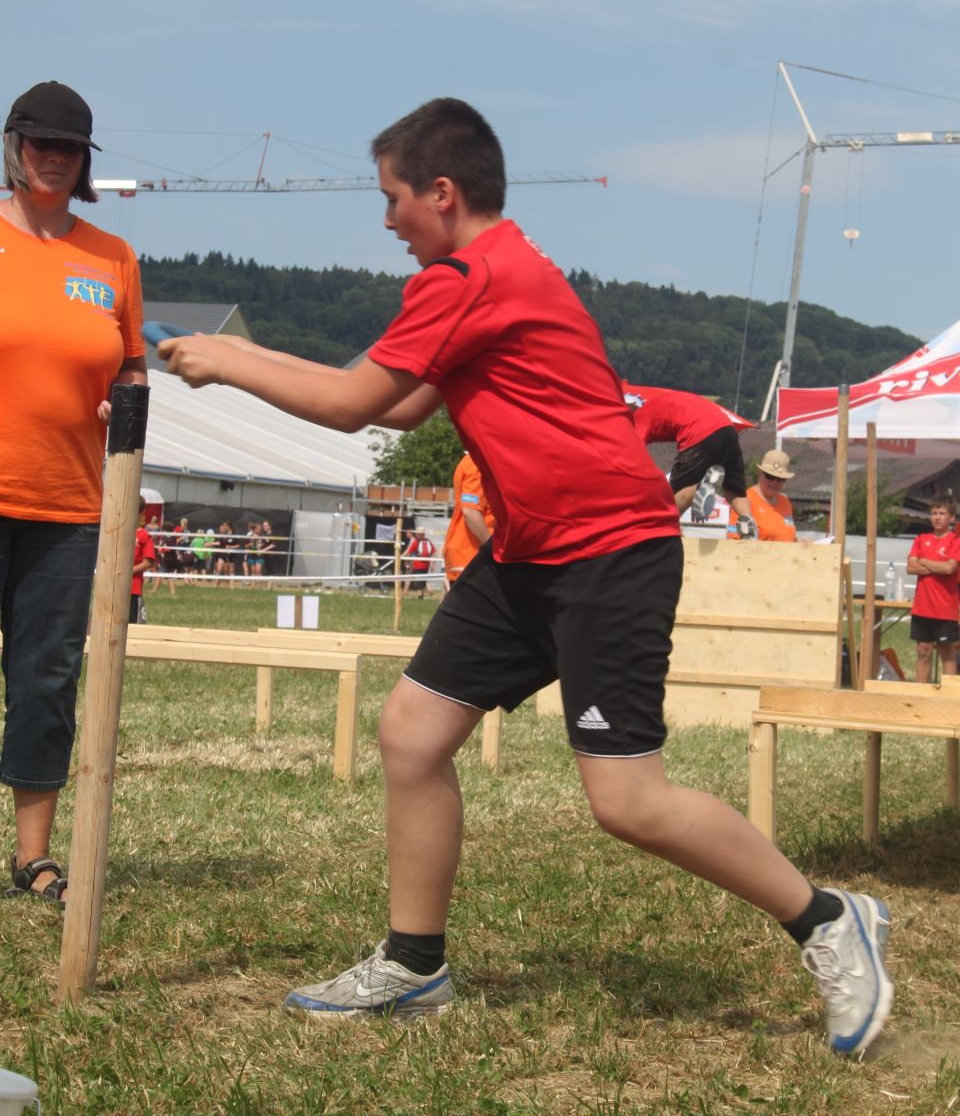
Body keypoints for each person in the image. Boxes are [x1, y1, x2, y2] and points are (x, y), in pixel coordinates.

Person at [159, 97, 892, 1055]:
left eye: (392, 199)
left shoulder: (471, 276)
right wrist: (243, 353)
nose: (387, 222)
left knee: (628, 802)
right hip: (528, 555)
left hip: (610, 554)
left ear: (441, 192)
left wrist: (228, 358)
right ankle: (415, 963)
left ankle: (830, 919)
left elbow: (349, 404)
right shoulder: (495, 273)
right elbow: (403, 406)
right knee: (412, 733)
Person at [0, 80, 147, 907]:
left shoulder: (112, 257)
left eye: (70, 148)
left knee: (47, 681)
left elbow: (132, 366)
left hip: (69, 507)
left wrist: (123, 403)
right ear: (13, 146)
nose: (54, 157)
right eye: (40, 143)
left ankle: (34, 858)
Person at [623, 385, 757, 537]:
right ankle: (748, 523)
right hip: (727, 428)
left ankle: (669, 528)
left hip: (699, 431)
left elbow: (635, 459)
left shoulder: (638, 420)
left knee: (676, 492)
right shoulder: (658, 403)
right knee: (734, 489)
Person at [906, 496, 960, 683]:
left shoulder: (955, 541)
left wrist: (923, 561)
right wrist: (938, 566)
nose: (937, 517)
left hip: (945, 608)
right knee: (923, 650)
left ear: (951, 518)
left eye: (942, 513)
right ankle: (921, 694)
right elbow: (910, 567)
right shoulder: (921, 539)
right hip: (922, 607)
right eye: (934, 513)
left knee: (947, 651)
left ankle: (948, 694)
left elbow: (949, 568)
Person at [443, 452, 494, 585]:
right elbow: (470, 511)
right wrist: (493, 548)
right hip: (472, 554)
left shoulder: (474, 460)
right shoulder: (478, 464)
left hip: (470, 554)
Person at [736, 450, 805, 543]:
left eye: (780, 479)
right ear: (760, 474)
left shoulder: (785, 501)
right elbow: (734, 541)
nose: (774, 482)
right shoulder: (744, 500)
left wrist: (797, 541)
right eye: (770, 476)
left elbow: (785, 536)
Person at [130, 496, 157, 625]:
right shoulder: (117, 533)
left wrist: (127, 572)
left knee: (134, 625)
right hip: (112, 588)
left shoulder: (144, 536)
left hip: (133, 589)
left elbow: (148, 562)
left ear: (141, 513)